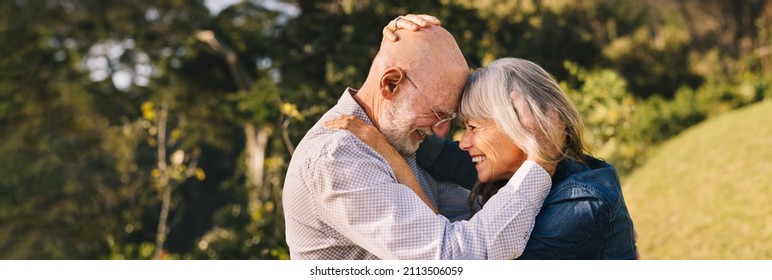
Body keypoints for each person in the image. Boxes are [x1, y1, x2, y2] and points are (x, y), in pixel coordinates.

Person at [330, 23, 638, 258]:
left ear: (521, 124)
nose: (463, 143)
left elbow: (460, 264)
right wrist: (401, 39)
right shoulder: (511, 172)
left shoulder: (581, 203)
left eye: (474, 127)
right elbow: (432, 150)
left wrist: (395, 162)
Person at [282, 16, 561, 260]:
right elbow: (453, 259)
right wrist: (541, 162)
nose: (442, 133)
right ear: (390, 84)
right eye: (437, 113)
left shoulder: (396, 137)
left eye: (450, 119)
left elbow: (474, 215)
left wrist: (406, 42)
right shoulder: (338, 156)